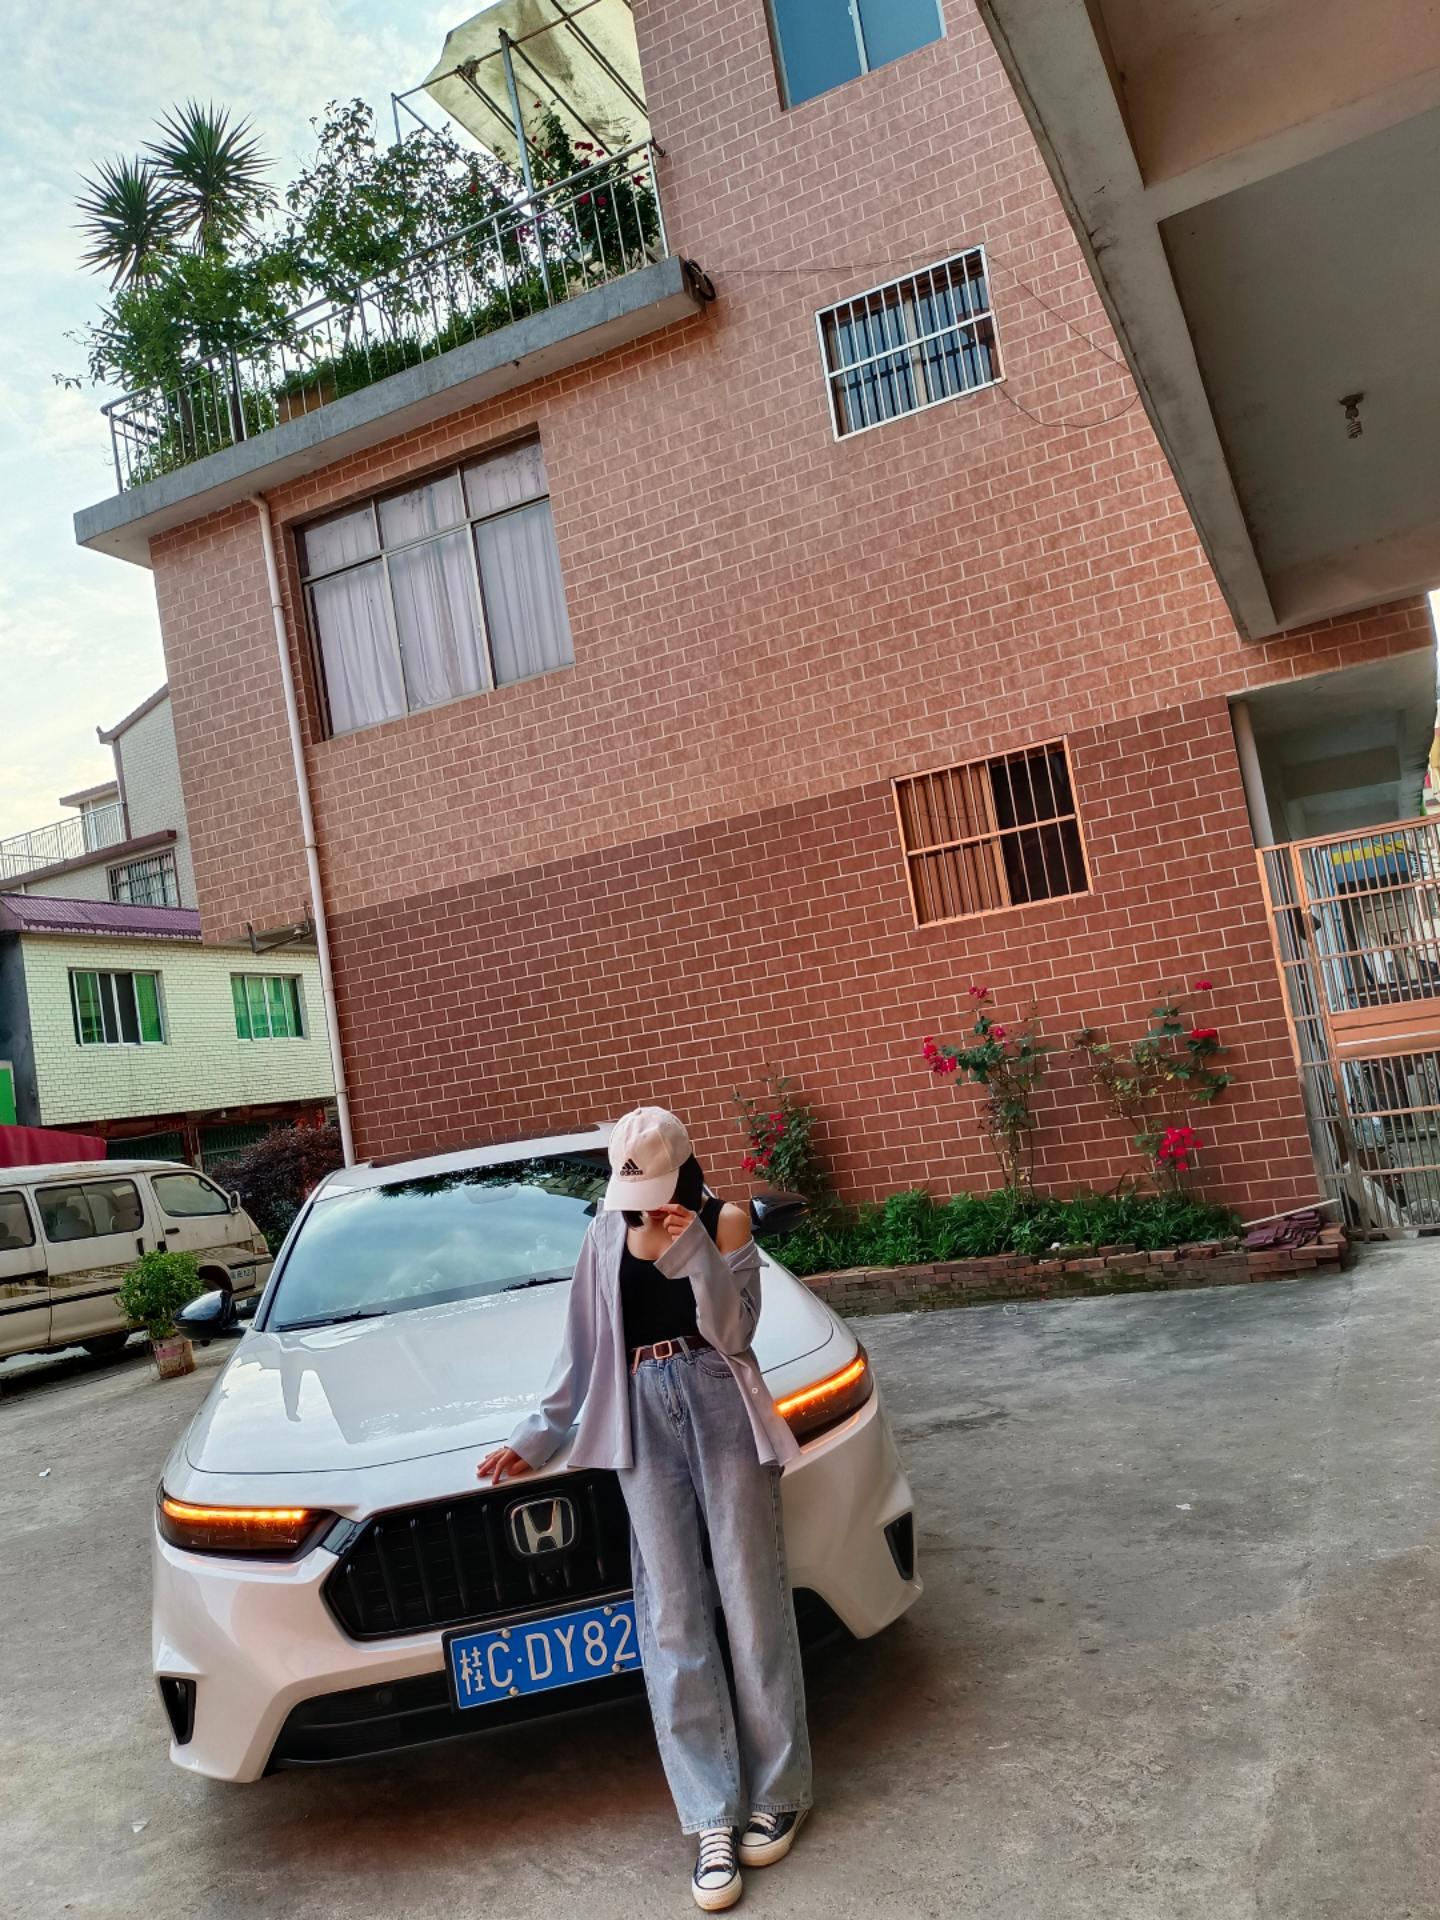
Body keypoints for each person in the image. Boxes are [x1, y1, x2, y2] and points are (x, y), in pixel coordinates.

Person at [478, 1106, 812, 1912]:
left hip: (717, 1397)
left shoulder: (724, 1221)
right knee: (672, 1618)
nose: (641, 1208)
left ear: (684, 1170)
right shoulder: (603, 1233)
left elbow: (734, 1335)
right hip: (639, 1411)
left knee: (752, 1601)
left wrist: (695, 1252)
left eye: (654, 1190)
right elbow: (584, 1347)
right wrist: (539, 1434)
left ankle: (779, 1791)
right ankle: (709, 1817)